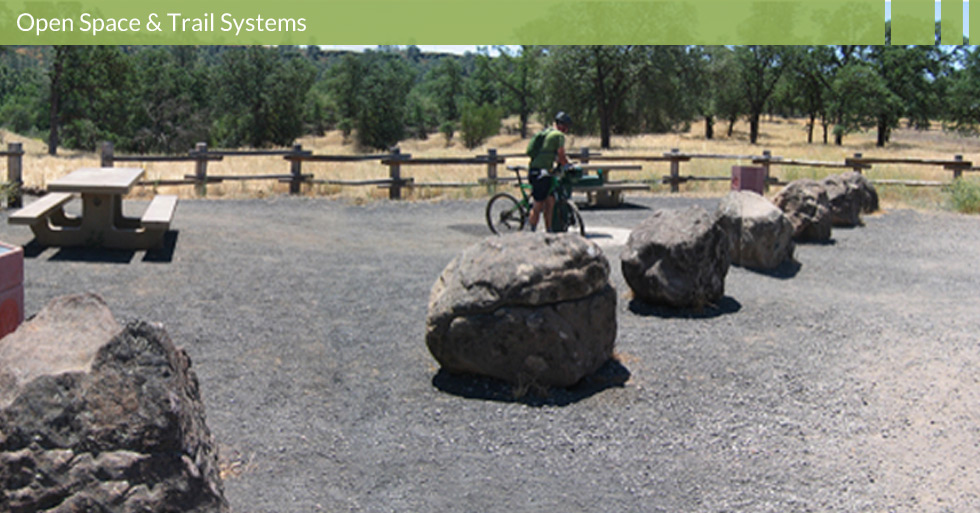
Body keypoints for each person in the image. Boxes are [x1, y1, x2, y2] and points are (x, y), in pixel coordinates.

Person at [527, 111, 572, 232]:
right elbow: (561, 155)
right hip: (540, 173)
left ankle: (549, 230)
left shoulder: (547, 132)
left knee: (550, 201)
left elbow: (553, 155)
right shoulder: (558, 136)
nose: (567, 129)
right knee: (538, 205)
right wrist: (567, 166)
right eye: (567, 126)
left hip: (541, 171)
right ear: (562, 125)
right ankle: (531, 231)